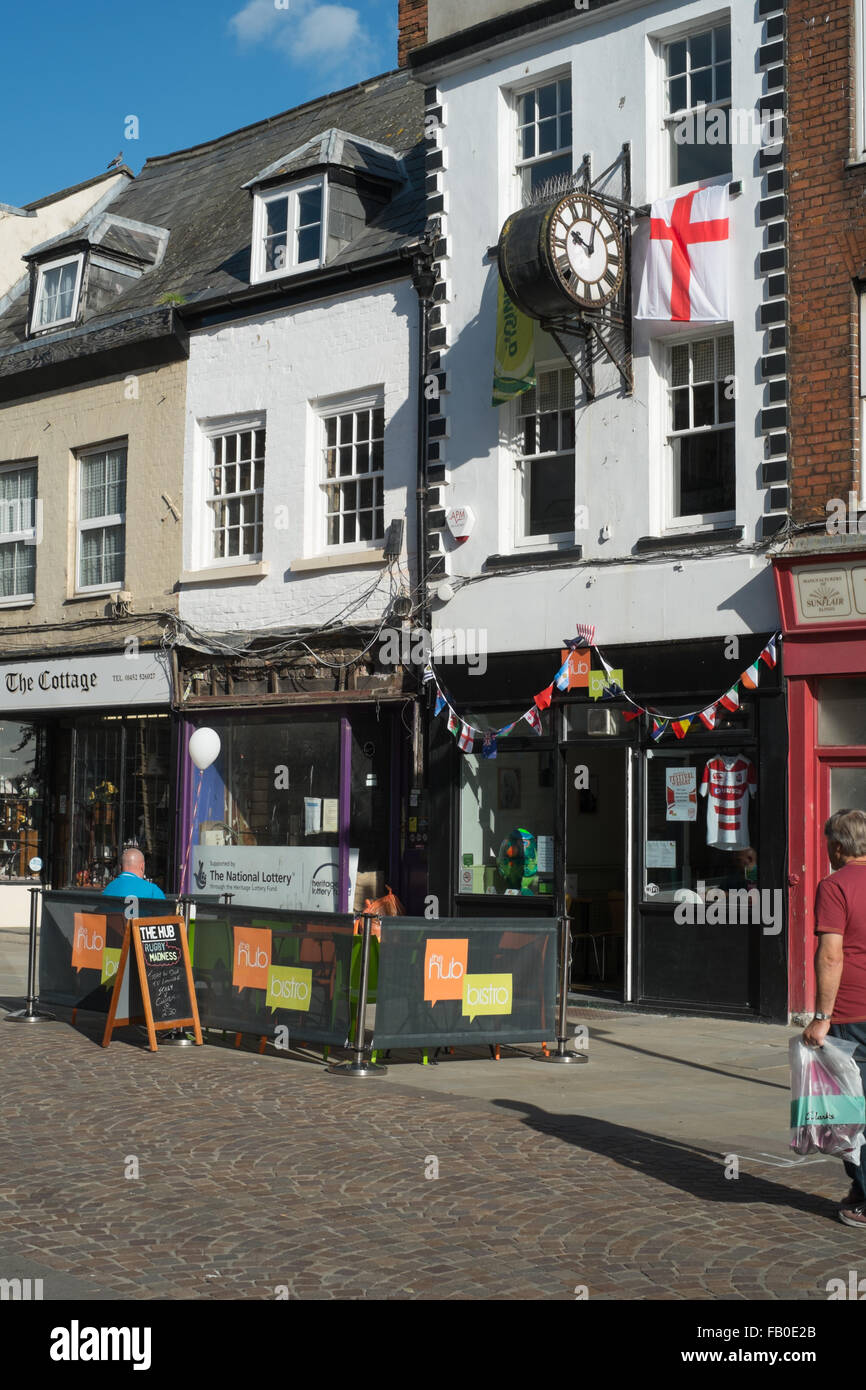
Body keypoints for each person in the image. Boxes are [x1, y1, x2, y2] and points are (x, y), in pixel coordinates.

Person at [802, 809, 866, 1227]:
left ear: (837, 847)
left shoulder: (835, 885)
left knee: (851, 1111)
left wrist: (821, 1016)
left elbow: (831, 955)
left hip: (852, 1013)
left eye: (828, 843)